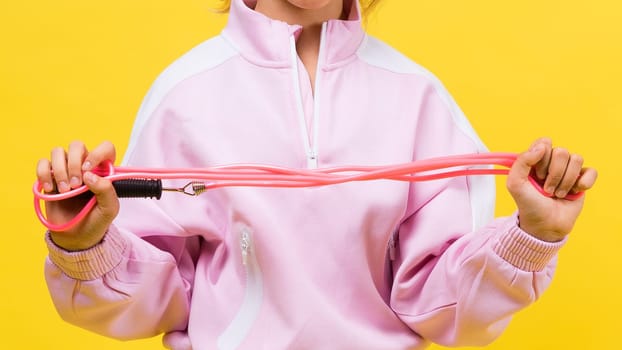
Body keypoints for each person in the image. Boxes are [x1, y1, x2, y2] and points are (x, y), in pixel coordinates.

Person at [37, 0, 598, 349]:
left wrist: (533, 234)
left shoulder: (419, 97)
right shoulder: (185, 95)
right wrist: (86, 243)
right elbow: (156, 301)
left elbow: (450, 311)